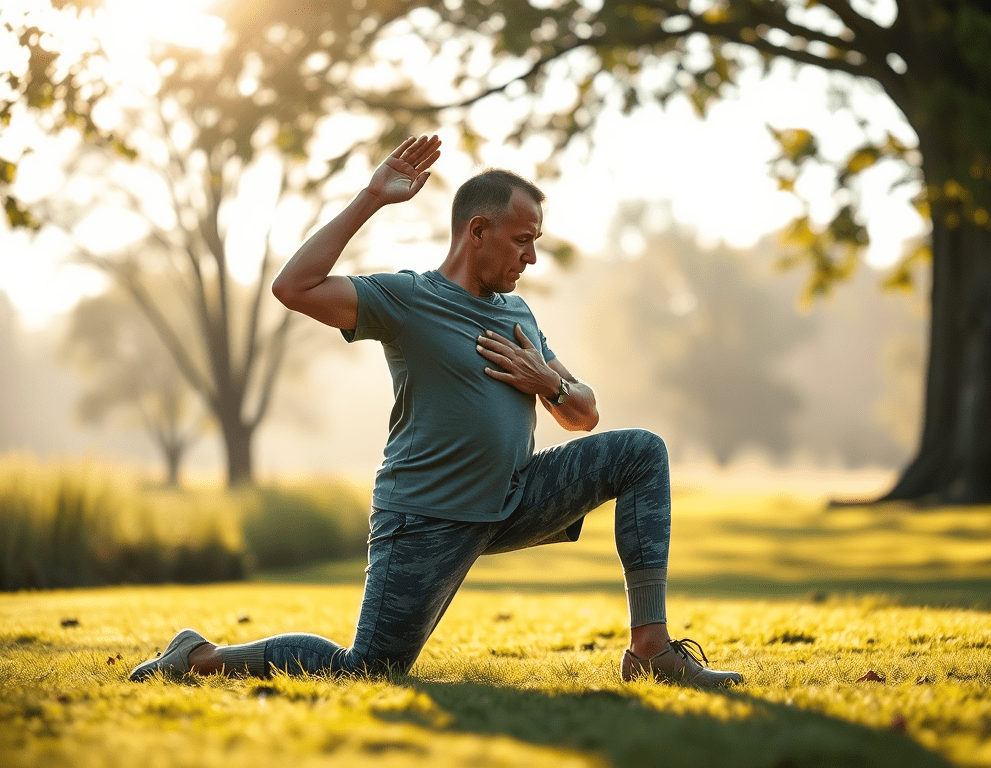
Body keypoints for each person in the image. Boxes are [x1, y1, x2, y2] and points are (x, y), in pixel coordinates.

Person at [129, 135, 743, 687]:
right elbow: (294, 287)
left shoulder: (518, 315)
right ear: (478, 232)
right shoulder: (408, 299)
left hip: (513, 499)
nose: (530, 258)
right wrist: (372, 197)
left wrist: (546, 380)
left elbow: (584, 415)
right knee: (367, 668)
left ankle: (651, 649)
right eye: (523, 241)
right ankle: (200, 657)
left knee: (641, 453)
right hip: (426, 518)